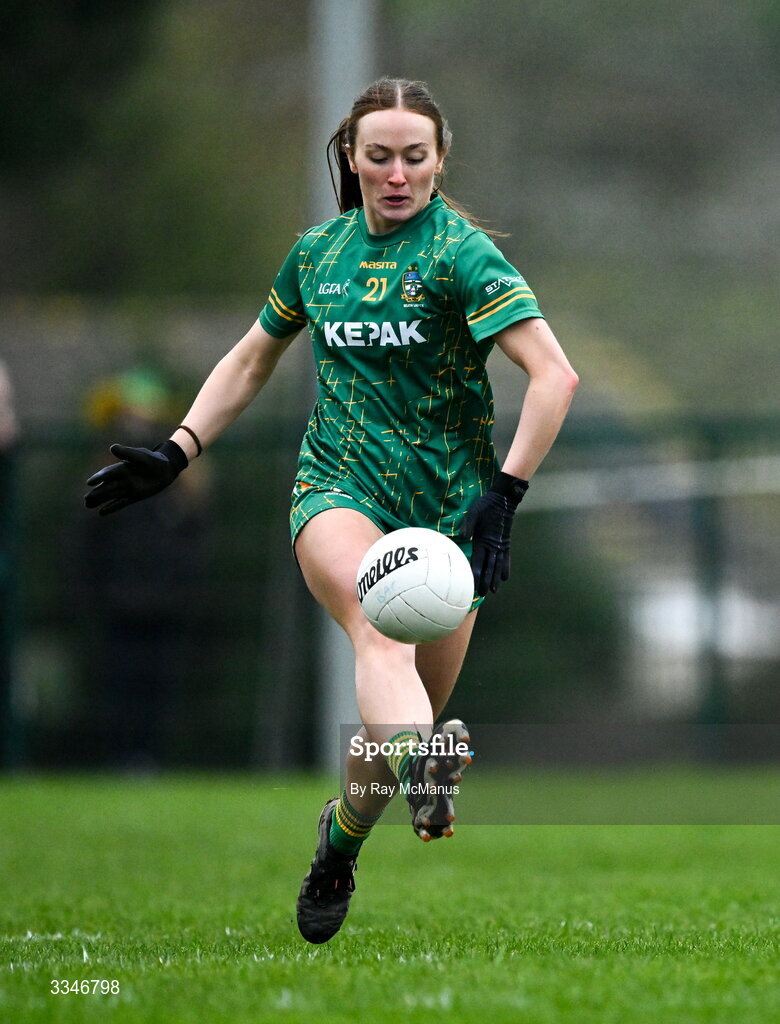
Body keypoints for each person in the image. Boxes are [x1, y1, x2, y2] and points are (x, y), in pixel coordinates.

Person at [84, 77, 579, 943]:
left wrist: (504, 496)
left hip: (450, 515)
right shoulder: (317, 254)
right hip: (337, 490)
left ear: (439, 160)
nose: (396, 174)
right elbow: (250, 359)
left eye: (413, 158)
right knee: (379, 632)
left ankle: (340, 842)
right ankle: (429, 765)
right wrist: (179, 448)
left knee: (387, 744)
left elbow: (556, 375)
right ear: (351, 158)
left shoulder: (463, 255)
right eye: (378, 156)